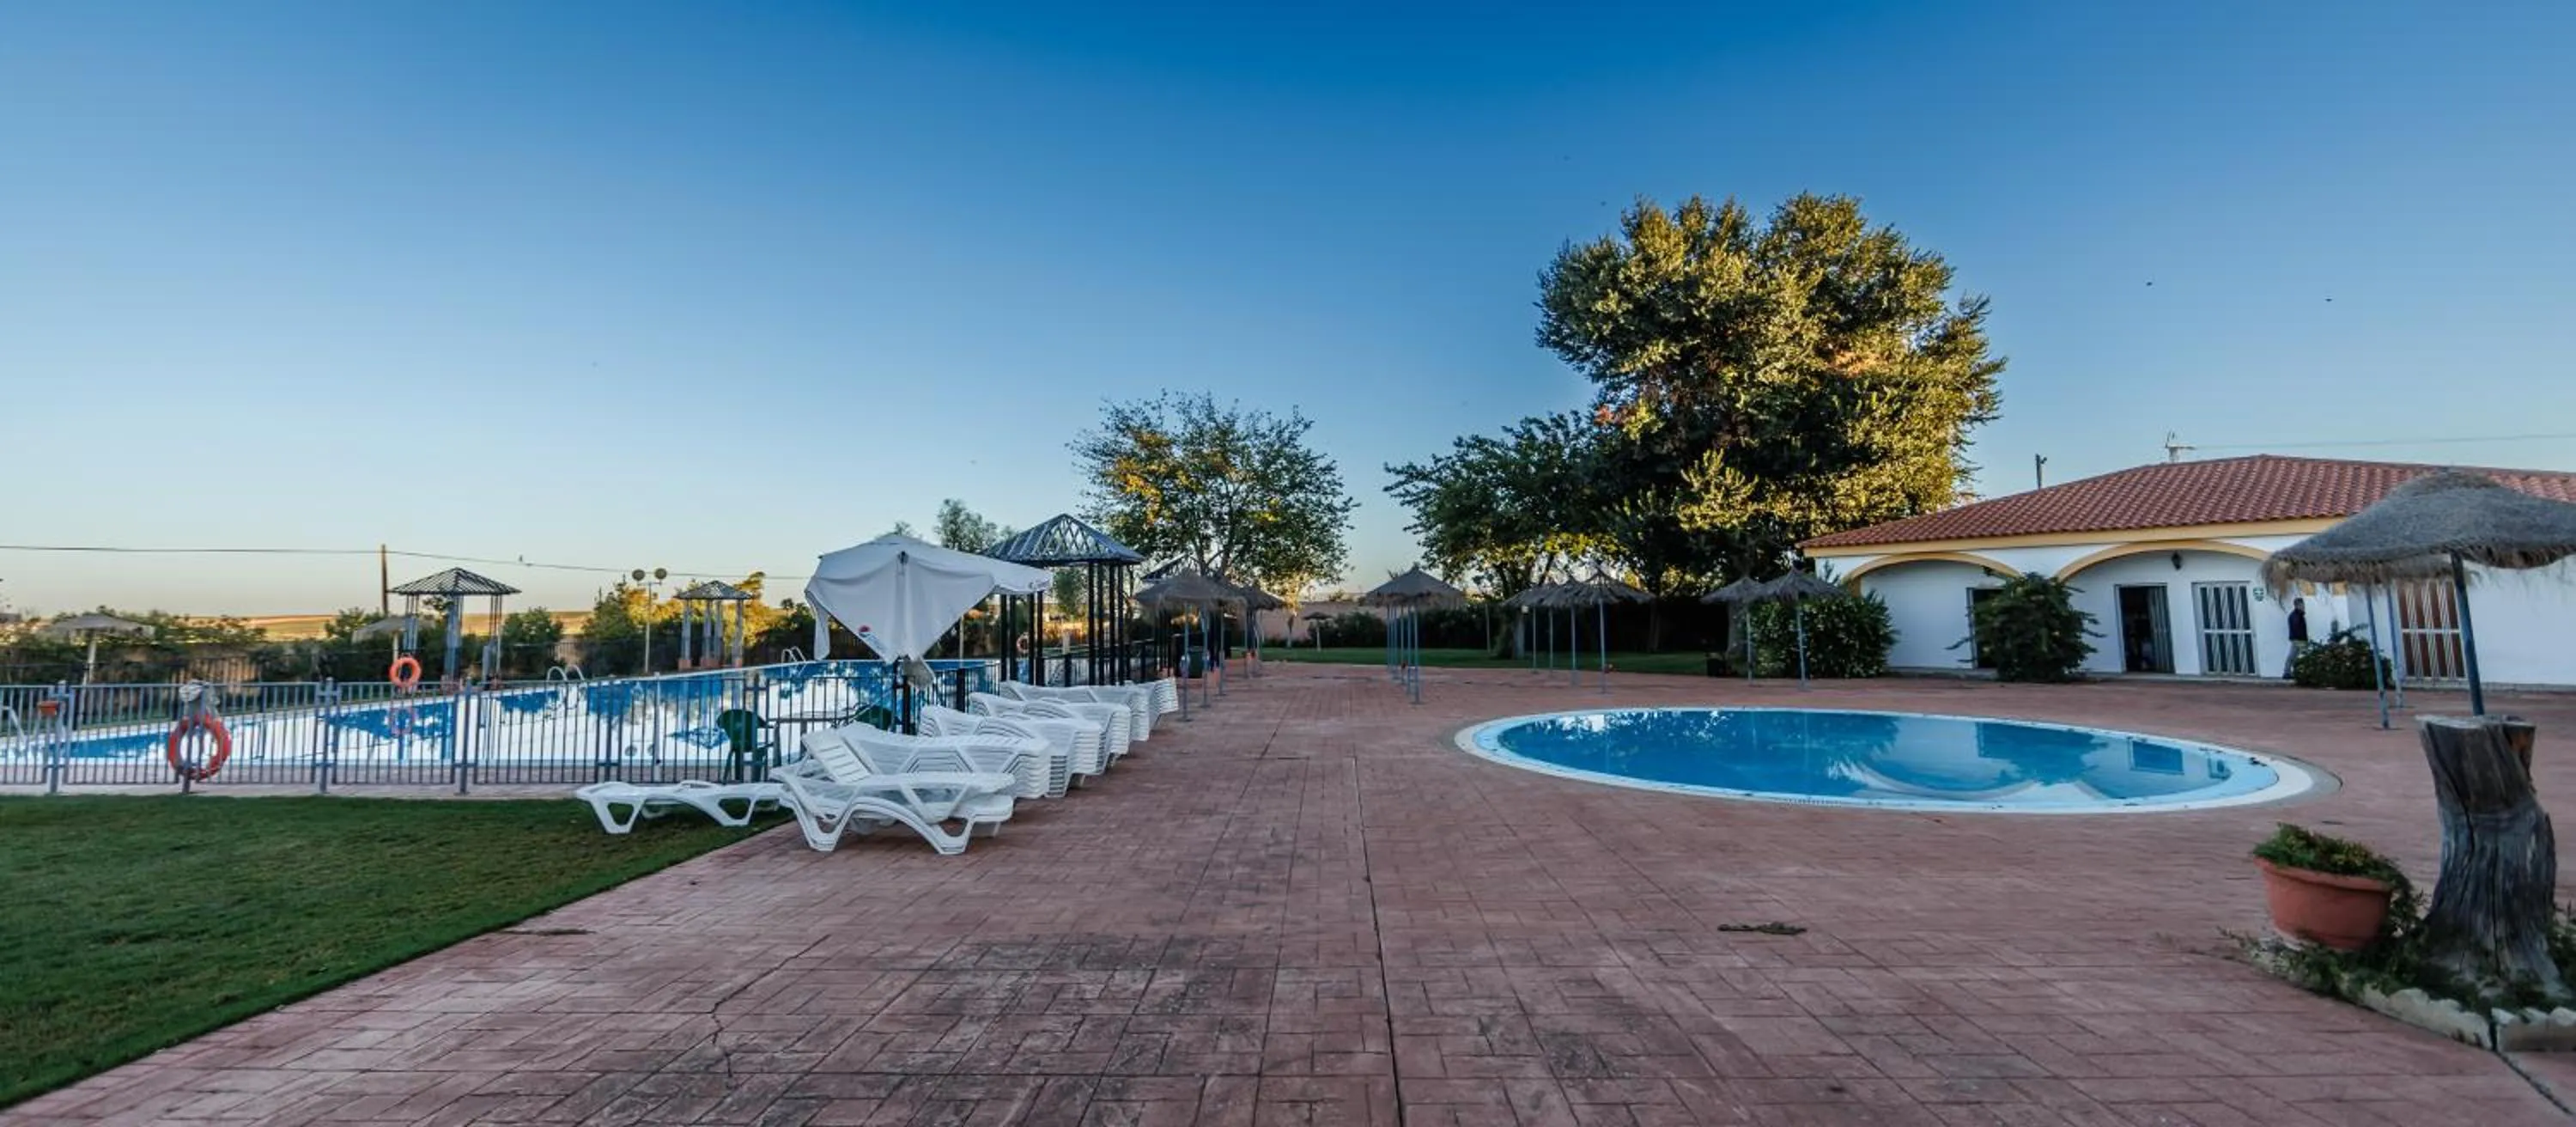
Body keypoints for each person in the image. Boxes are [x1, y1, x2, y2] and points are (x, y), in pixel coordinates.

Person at [2284, 597, 2310, 677]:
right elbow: (2296, 627)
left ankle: (2291, 672)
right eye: (2301, 605)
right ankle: (2288, 672)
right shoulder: (2296, 615)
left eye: (2303, 604)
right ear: (2297, 605)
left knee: (2294, 657)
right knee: (2297, 656)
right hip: (2298, 639)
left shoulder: (2298, 615)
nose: (2303, 606)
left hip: (2299, 639)